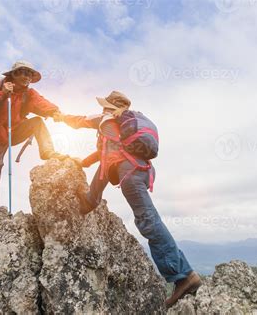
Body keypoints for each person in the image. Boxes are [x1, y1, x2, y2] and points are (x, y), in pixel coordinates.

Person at [53, 91, 202, 308]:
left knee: (149, 222)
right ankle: (90, 200)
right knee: (149, 220)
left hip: (130, 174)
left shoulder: (108, 119)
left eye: (105, 106)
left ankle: (184, 276)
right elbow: (106, 155)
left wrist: (59, 116)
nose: (102, 110)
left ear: (111, 108)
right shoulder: (124, 125)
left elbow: (80, 122)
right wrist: (83, 164)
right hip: (140, 170)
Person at [0, 60, 68, 208]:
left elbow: (41, 103)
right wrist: (2, 93)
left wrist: (55, 111)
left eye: (30, 74)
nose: (28, 77)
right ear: (14, 74)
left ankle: (48, 152)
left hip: (16, 131)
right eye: (24, 73)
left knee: (37, 122)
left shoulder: (29, 93)